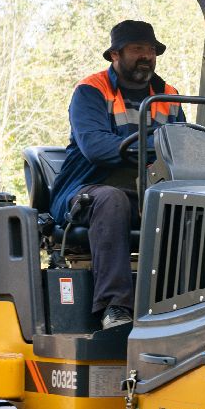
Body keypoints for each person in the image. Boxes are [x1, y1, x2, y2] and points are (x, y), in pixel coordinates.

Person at [48, 19, 187, 330]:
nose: (146, 56)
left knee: (193, 204)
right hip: (85, 191)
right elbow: (96, 147)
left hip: (146, 194)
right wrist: (158, 145)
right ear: (115, 54)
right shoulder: (91, 90)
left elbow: (183, 148)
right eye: (138, 49)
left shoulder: (169, 95)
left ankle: (186, 304)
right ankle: (115, 308)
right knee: (111, 200)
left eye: (151, 50)